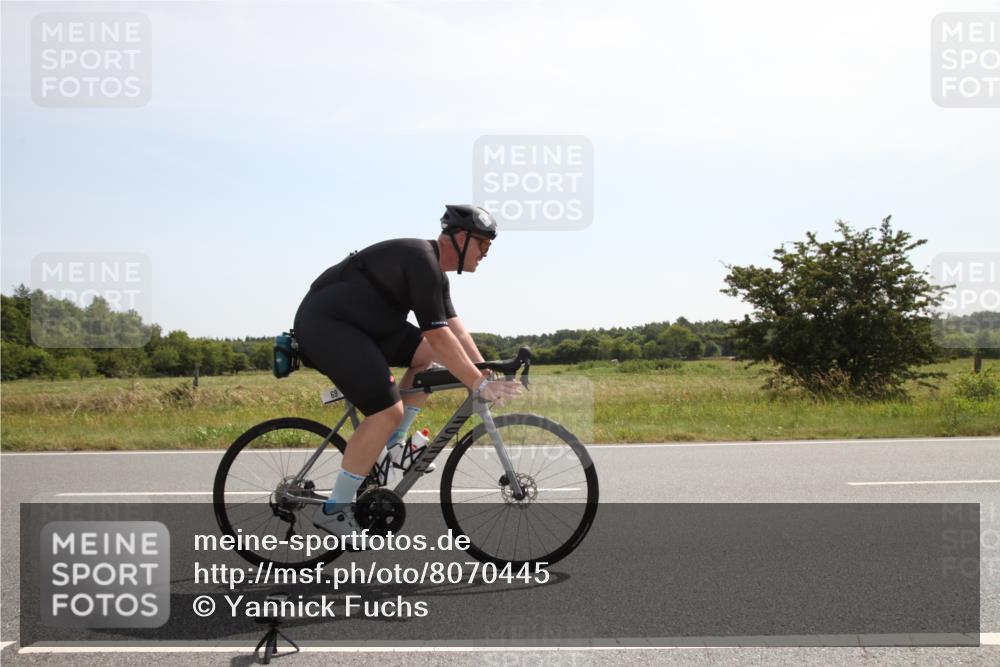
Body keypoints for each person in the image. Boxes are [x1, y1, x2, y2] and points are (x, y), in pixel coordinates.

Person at [293, 205, 522, 537]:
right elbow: (440, 336)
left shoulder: (435, 274)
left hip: (366, 325)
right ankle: (335, 509)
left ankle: (393, 448)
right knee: (386, 411)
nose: (486, 254)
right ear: (460, 238)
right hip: (329, 325)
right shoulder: (420, 260)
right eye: (483, 245)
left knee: (425, 357)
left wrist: (486, 372)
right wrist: (477, 382)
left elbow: (457, 332)